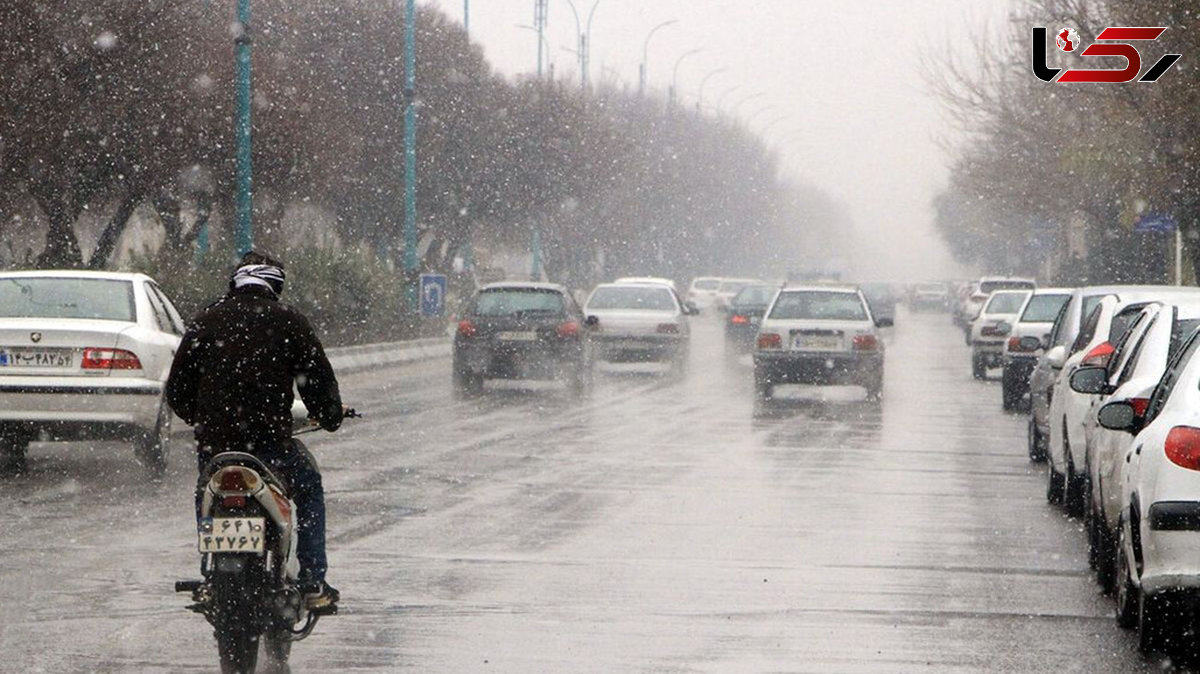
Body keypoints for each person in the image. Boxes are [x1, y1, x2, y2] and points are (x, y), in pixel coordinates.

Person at [166, 251, 344, 609]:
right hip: (269, 445)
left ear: (236, 281)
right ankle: (312, 582)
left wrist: (201, 419)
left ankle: (211, 576)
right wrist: (330, 416)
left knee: (207, 496)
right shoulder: (289, 322)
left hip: (216, 448)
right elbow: (318, 383)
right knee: (308, 487)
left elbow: (177, 391)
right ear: (274, 285)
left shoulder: (206, 321)